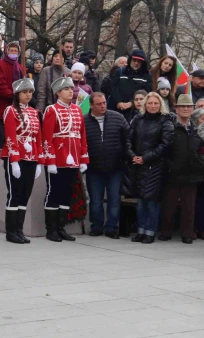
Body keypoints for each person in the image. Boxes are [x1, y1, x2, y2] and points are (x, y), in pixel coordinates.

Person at [42, 77, 89, 242]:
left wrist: (83, 158)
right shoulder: (51, 110)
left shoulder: (77, 110)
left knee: (66, 194)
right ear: (58, 93)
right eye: (67, 89)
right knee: (54, 193)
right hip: (58, 159)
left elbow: (82, 136)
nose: (71, 91)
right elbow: (47, 138)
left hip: (74, 158)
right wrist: (51, 160)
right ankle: (51, 229)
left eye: (71, 88)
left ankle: (61, 227)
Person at [126, 92, 173, 243]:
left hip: (155, 167)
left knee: (151, 202)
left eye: (156, 103)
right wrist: (133, 155)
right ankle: (141, 231)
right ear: (145, 104)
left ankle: (150, 232)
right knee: (140, 202)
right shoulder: (138, 119)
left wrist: (145, 158)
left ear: (161, 105)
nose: (153, 106)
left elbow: (165, 145)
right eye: (150, 103)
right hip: (138, 166)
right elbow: (128, 139)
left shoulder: (166, 121)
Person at [1, 78, 43, 244]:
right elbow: (10, 136)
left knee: (25, 195)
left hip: (31, 157)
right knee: (15, 194)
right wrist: (14, 160)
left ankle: (19, 230)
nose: (28, 95)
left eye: (30, 92)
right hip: (16, 157)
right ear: (17, 94)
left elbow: (38, 137)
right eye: (24, 92)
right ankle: (11, 231)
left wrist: (39, 160)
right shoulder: (10, 111)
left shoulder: (33, 112)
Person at [83, 92, 129, 239]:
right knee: (95, 200)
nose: (103, 106)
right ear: (91, 105)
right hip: (94, 168)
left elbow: (127, 139)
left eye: (104, 103)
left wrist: (125, 158)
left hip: (115, 167)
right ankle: (96, 226)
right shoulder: (84, 121)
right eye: (99, 104)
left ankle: (111, 228)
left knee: (114, 199)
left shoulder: (118, 117)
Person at [160, 94, 203, 243]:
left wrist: (198, 163)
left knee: (189, 206)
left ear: (192, 109)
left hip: (191, 172)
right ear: (176, 109)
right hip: (172, 172)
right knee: (169, 205)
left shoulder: (196, 128)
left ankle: (187, 234)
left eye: (188, 106)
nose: (185, 109)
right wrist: (170, 166)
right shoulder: (170, 126)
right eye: (182, 106)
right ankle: (165, 232)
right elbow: (164, 149)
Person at [109, 49, 152, 115]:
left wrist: (132, 103)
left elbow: (147, 91)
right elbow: (113, 87)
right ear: (130, 60)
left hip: (136, 110)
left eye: (139, 61)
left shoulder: (147, 75)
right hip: (116, 107)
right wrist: (118, 101)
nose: (136, 63)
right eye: (134, 60)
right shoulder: (120, 72)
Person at [0, 41, 23, 117]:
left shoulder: (19, 67)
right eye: (11, 50)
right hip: (1, 105)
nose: (13, 53)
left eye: (16, 51)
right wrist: (13, 95)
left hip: (16, 106)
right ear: (6, 51)